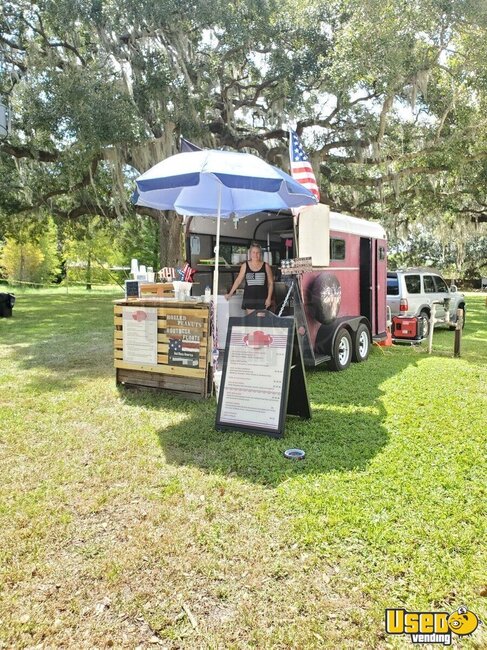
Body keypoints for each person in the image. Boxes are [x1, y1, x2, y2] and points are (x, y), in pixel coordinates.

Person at [225, 242, 274, 314]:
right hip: (249, 298)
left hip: (262, 298)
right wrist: (230, 293)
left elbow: (271, 283)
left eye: (257, 252)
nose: (255, 254)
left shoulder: (266, 266)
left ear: (260, 254)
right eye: (253, 252)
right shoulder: (245, 265)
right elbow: (238, 280)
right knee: (251, 322)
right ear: (250, 254)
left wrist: (269, 298)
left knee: (261, 322)